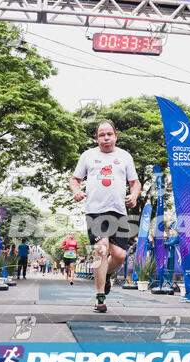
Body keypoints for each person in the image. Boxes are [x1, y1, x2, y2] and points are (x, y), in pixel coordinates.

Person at [69, 120, 141, 312]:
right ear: (96, 138)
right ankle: (100, 296)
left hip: (119, 211)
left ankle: (105, 274)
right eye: (102, 134)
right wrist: (76, 191)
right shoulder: (88, 156)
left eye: (109, 134)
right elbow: (75, 180)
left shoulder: (125, 156)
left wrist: (134, 195)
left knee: (119, 256)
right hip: (95, 210)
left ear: (116, 136)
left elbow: (135, 182)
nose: (106, 137)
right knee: (101, 249)